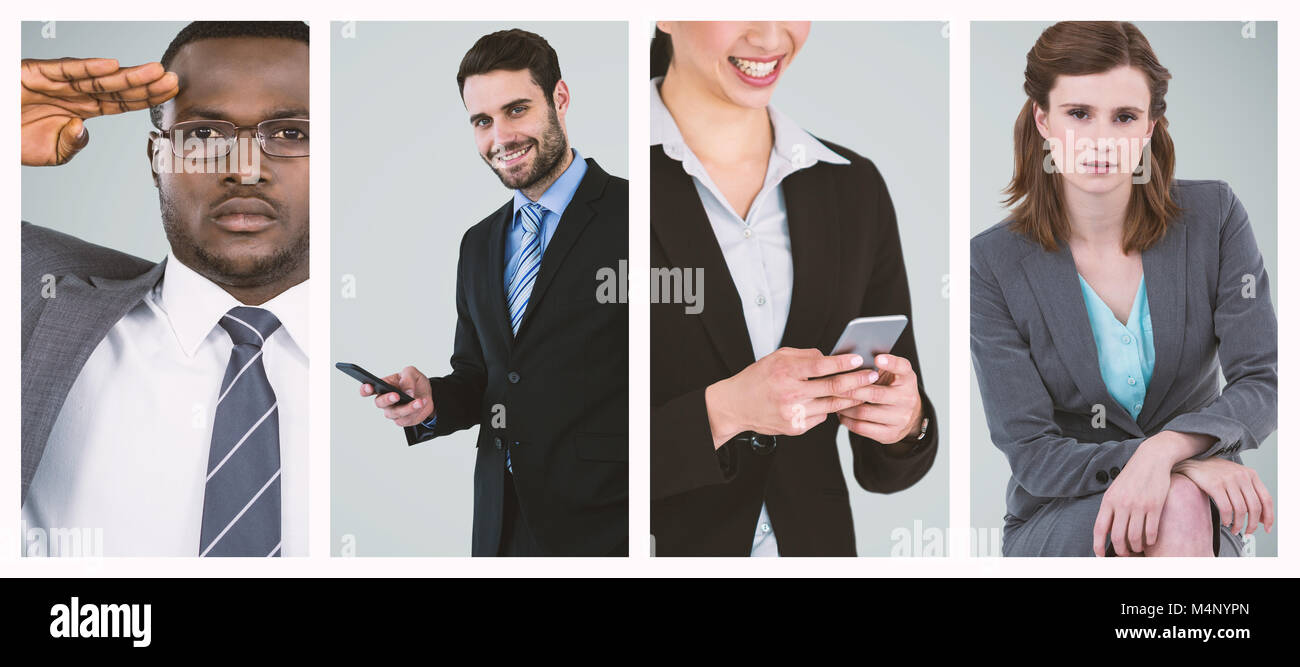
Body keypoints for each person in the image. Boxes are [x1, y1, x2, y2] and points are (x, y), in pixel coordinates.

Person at [970, 21, 1276, 557]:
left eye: (1125, 117)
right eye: (1079, 113)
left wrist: (1168, 453)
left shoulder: (1215, 217)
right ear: (1043, 119)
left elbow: (1264, 381)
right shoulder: (993, 262)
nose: (1101, 141)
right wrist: (1174, 463)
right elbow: (1033, 452)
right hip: (1062, 513)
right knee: (1176, 500)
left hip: (1200, 510)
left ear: (1151, 126)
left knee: (1179, 503)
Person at [20, 21, 311, 557]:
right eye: (204, 135)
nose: (245, 172)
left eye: (291, 134)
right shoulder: (30, 294)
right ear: (157, 159)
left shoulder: (392, 359)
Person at [648, 21, 939, 556]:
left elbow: (887, 470)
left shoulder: (853, 186)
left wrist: (906, 422)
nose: (769, 36)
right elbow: (569, 456)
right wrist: (725, 411)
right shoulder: (601, 190)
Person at [360, 29, 629, 557]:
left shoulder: (635, 214)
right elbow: (484, 377)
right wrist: (432, 402)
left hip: (608, 522)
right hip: (501, 522)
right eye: (482, 121)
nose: (500, 136)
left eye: (516, 109)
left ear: (560, 99)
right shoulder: (479, 242)